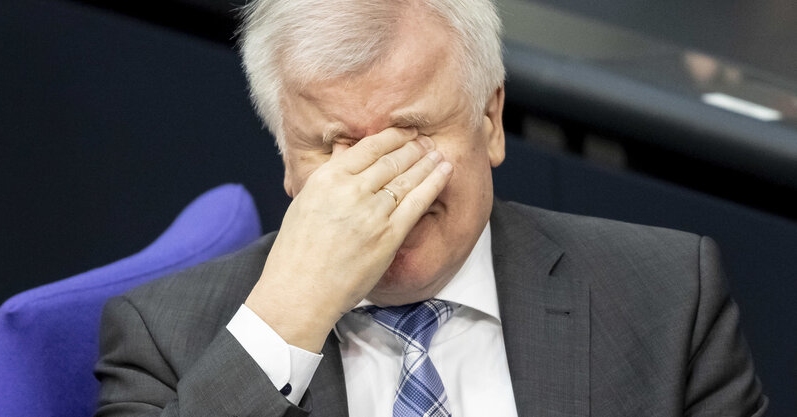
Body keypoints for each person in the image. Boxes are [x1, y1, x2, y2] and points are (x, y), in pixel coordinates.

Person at [94, 0, 767, 415]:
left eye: (412, 135)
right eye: (336, 146)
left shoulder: (666, 295)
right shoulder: (167, 338)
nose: (383, 184)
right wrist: (289, 319)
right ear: (286, 157)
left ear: (490, 119)